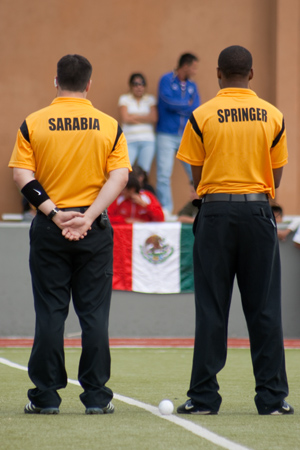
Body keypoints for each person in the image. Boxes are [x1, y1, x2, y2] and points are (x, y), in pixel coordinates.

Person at [8, 54, 131, 415]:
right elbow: (120, 177)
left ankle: (45, 397)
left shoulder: (34, 123)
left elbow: (22, 177)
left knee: (50, 314)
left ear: (56, 81)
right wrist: (88, 217)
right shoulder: (109, 125)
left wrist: (56, 215)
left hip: (50, 228)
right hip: (94, 230)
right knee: (93, 316)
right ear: (89, 84)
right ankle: (96, 398)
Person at [176, 45, 293, 415]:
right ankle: (272, 400)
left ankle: (204, 399)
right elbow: (276, 175)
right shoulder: (273, 115)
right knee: (265, 310)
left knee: (212, 308)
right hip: (259, 213)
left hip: (214, 214)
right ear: (252, 75)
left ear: (217, 74)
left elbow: (196, 176)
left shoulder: (201, 114)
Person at [156, 53, 201, 217]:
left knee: (195, 173)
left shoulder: (192, 86)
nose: (195, 71)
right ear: (186, 66)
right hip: (166, 134)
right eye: (194, 67)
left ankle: (200, 206)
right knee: (163, 174)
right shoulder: (166, 80)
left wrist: (183, 106)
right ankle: (166, 210)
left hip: (185, 135)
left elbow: (196, 107)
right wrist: (185, 105)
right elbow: (166, 102)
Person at [118, 73, 157, 174]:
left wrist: (134, 116)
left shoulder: (150, 99)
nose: (139, 87)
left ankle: (141, 190)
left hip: (147, 140)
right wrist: (144, 118)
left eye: (142, 84)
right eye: (135, 84)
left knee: (144, 172)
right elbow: (125, 118)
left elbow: (153, 117)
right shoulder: (124, 99)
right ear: (131, 86)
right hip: (129, 140)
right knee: (126, 170)